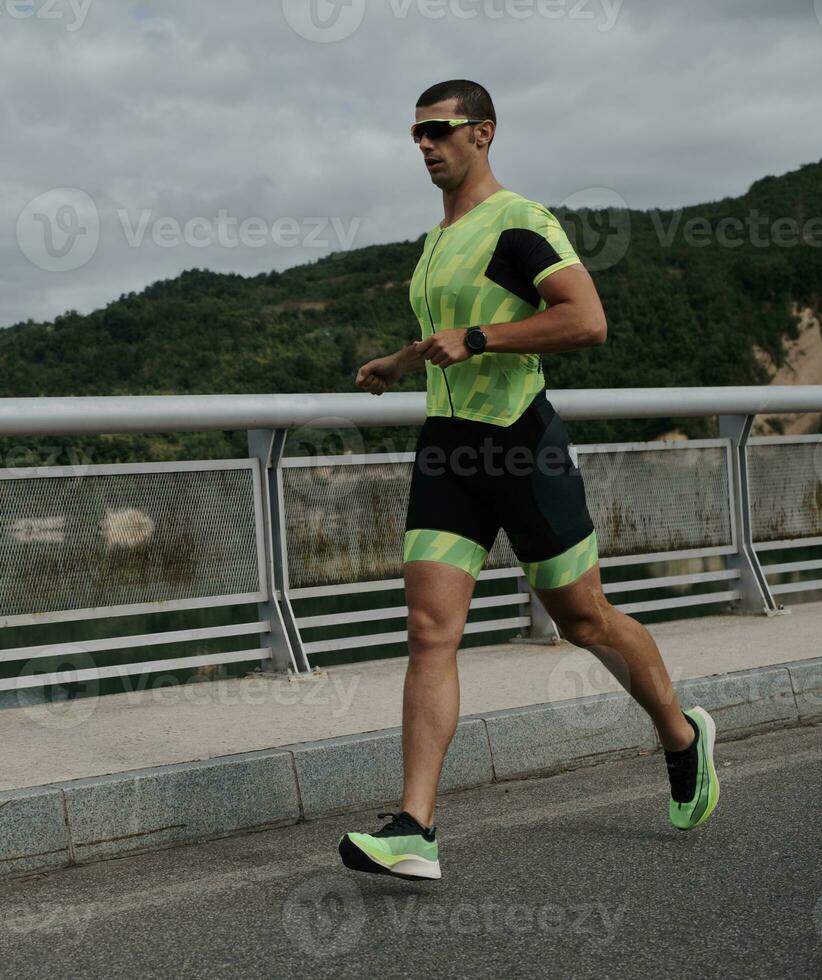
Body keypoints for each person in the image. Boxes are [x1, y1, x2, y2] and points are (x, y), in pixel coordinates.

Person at [341, 80, 718, 882]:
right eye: (415, 133)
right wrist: (401, 361)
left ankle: (683, 737)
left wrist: (478, 338)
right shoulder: (440, 239)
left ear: (482, 132)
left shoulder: (519, 222)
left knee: (584, 621)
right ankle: (416, 827)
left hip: (521, 445)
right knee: (428, 628)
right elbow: (448, 334)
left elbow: (586, 320)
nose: (424, 144)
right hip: (449, 450)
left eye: (439, 130)